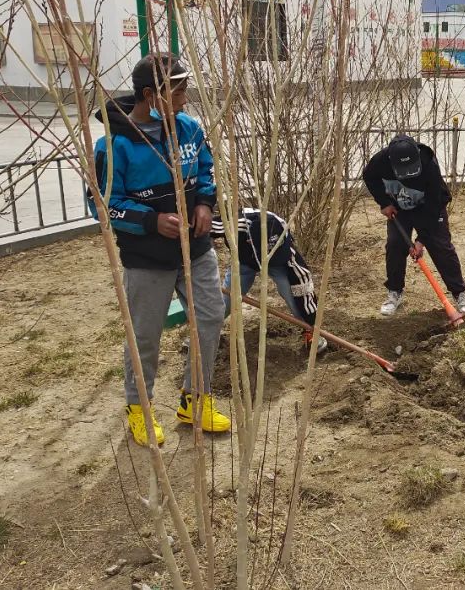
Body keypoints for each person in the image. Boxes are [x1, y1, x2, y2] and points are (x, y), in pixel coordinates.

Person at [90, 53, 230, 447]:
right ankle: (139, 407)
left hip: (196, 250)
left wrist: (205, 203)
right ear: (151, 95)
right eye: (178, 92)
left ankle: (195, 399)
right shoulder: (114, 145)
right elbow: (103, 204)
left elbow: (206, 171)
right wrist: (151, 221)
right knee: (145, 335)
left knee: (211, 317)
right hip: (147, 258)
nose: (185, 100)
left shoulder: (189, 128)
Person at [362, 134, 465, 317]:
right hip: (399, 209)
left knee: (441, 247)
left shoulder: (428, 164)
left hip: (428, 209)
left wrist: (422, 240)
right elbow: (369, 177)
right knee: (395, 244)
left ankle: (460, 293)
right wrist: (384, 203)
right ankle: (394, 292)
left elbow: (435, 204)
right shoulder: (380, 161)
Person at [213, 207, 326, 353]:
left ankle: (310, 331)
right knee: (229, 297)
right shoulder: (235, 223)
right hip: (245, 259)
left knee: (291, 291)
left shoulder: (281, 234)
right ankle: (206, 331)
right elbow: (200, 230)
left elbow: (303, 285)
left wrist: (312, 322)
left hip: (276, 261)